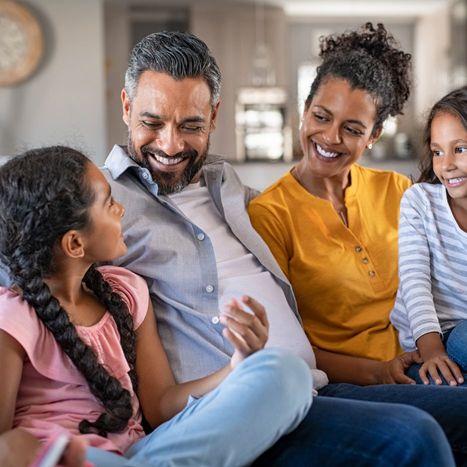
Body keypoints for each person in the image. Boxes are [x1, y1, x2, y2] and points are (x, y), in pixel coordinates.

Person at [101, 29, 467, 464]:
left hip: (314, 383)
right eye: (152, 122)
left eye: (191, 125)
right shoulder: (102, 202)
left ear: (214, 117)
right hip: (246, 400)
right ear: (126, 107)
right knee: (415, 436)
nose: (171, 144)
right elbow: (28, 245)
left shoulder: (227, 185)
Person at [0, 146, 314, 467]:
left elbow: (162, 406)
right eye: (108, 204)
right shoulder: (12, 317)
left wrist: (238, 365)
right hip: (65, 457)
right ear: (75, 243)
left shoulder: (126, 292)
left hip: (143, 453)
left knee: (286, 373)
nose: (121, 209)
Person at [390, 86, 467, 386]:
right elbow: (414, 283)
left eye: (460, 148)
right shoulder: (420, 202)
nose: (446, 164)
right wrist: (432, 350)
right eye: (437, 151)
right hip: (436, 334)